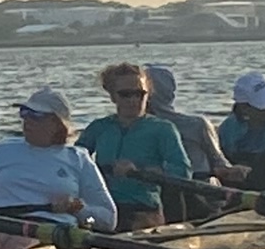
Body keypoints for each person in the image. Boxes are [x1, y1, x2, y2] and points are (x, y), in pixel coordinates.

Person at [0, 87, 118, 249]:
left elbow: (107, 221)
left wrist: (78, 210)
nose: (27, 121)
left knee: (18, 245)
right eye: (24, 113)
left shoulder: (78, 158)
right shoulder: (2, 150)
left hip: (51, 231)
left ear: (57, 124)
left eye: (36, 116)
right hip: (1, 224)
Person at [75, 62, 191, 230]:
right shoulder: (98, 128)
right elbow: (74, 162)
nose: (134, 100)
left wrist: (142, 172)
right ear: (113, 97)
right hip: (104, 207)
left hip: (142, 210)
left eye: (139, 94)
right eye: (126, 94)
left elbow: (182, 171)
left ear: (148, 94)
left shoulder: (163, 129)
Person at [145, 64, 231, 221]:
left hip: (199, 195)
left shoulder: (197, 124)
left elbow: (220, 164)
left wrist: (233, 171)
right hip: (156, 193)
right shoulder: (134, 128)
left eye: (138, 92)